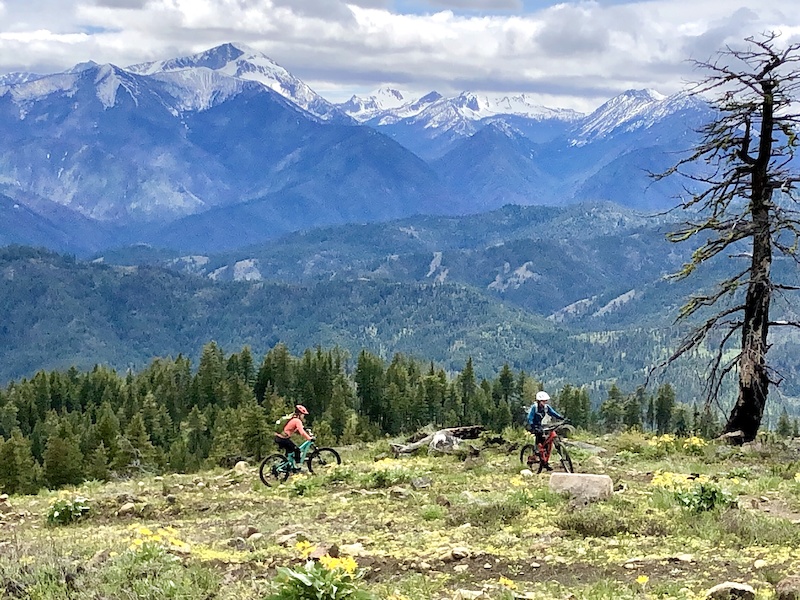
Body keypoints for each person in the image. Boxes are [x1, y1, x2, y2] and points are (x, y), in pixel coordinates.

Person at [526, 391, 564, 471]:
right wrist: (532, 426)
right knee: (539, 438)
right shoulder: (534, 407)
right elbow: (530, 418)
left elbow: (553, 413)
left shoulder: (546, 407)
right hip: (533, 425)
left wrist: (561, 417)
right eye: (543, 401)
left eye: (545, 401)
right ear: (539, 401)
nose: (545, 402)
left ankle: (545, 461)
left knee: (547, 442)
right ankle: (536, 452)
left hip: (540, 425)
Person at [275, 404, 313, 472]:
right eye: (303, 414)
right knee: (297, 450)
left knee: (290, 452)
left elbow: (296, 430)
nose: (304, 416)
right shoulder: (297, 421)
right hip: (283, 439)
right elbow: (301, 432)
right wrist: (309, 438)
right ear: (300, 414)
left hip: (279, 438)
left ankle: (290, 466)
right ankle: (298, 466)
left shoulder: (292, 418)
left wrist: (306, 431)